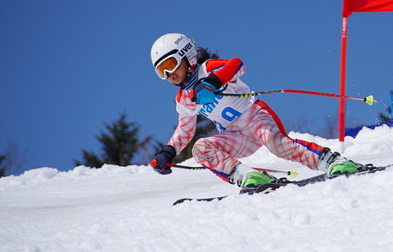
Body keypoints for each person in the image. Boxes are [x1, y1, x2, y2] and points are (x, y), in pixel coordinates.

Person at [148, 33, 365, 189]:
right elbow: (184, 131)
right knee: (201, 148)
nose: (168, 74)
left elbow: (237, 64)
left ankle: (333, 162)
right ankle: (250, 177)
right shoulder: (184, 98)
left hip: (255, 116)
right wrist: (168, 152)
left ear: (187, 56)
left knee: (277, 144)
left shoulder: (208, 68)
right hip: (235, 134)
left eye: (170, 64)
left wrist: (212, 82)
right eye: (161, 71)